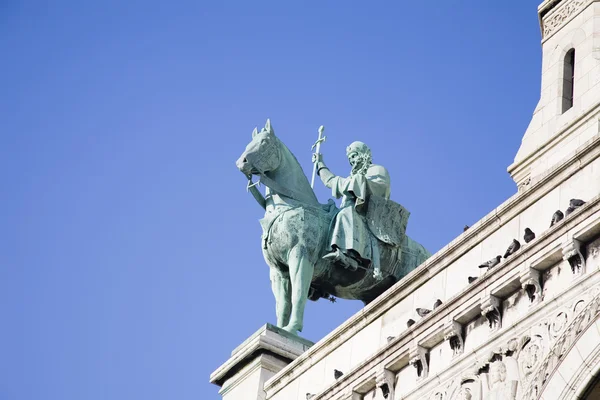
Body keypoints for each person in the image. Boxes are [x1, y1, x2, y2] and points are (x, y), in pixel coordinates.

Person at [313, 141, 391, 272]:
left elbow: (380, 189)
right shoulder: (353, 177)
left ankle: (350, 255)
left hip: (367, 213)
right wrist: (320, 165)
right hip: (348, 208)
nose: (352, 161)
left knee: (346, 214)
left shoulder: (377, 170)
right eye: (350, 159)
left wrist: (359, 182)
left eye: (354, 156)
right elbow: (334, 182)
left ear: (364, 155)